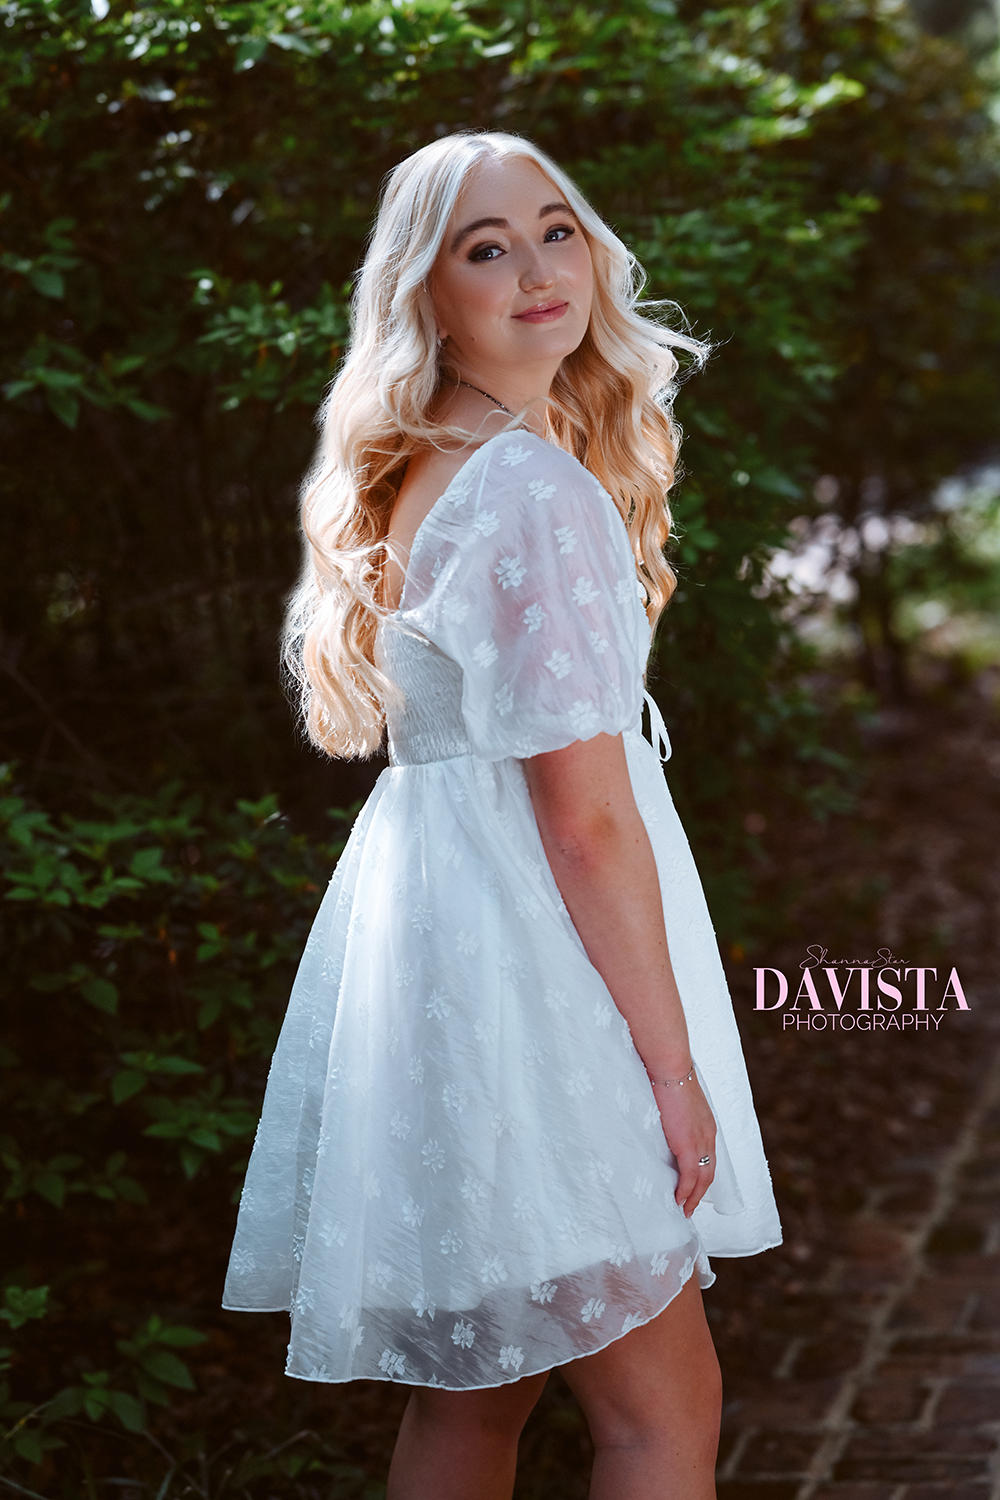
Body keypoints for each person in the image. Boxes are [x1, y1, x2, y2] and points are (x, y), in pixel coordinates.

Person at [223, 130, 781, 1500]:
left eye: (554, 229)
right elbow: (585, 821)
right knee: (662, 1412)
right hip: (540, 976)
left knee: (476, 1401)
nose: (537, 268)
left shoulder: (442, 461)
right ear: (428, 294)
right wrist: (667, 1069)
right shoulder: (532, 492)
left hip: (441, 953)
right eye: (486, 248)